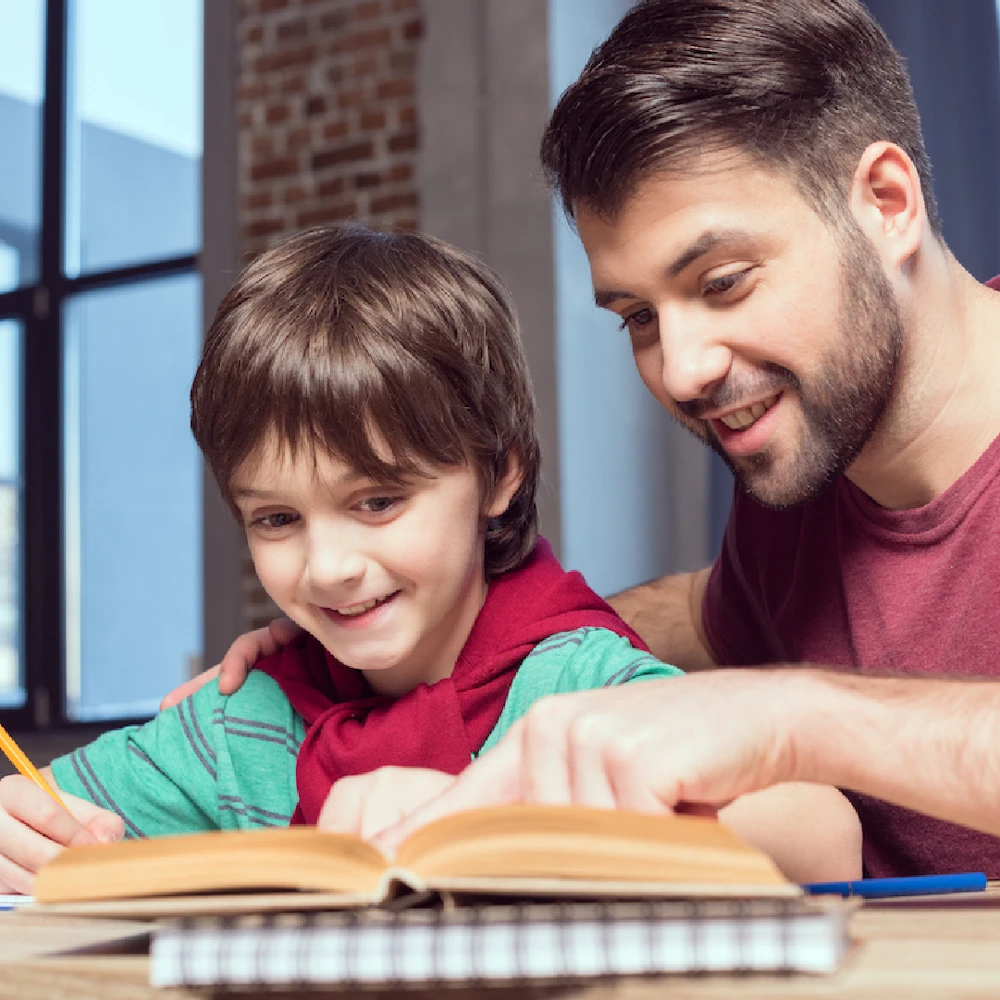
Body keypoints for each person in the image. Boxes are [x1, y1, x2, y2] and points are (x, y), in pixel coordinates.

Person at [201, 0, 1000, 879]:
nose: (683, 368)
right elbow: (696, 612)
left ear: (887, 203)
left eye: (725, 282)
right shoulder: (804, 475)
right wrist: (350, 655)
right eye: (639, 318)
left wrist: (792, 716)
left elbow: (768, 718)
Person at [0, 224, 859, 894]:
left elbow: (820, 832)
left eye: (378, 501)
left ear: (499, 474)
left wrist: (496, 814)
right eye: (275, 519)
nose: (329, 566)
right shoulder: (242, 721)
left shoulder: (577, 685)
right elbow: (48, 815)